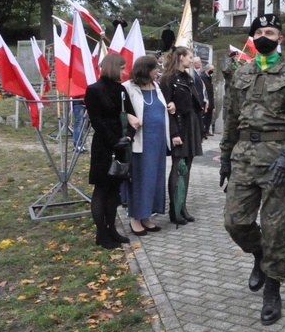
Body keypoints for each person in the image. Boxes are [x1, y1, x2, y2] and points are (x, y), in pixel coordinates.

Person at [219, 13, 285, 326]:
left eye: (270, 31)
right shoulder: (241, 73)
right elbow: (230, 118)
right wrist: (224, 156)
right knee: (235, 222)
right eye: (259, 31)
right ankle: (260, 256)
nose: (264, 36)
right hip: (243, 158)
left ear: (280, 38)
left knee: (276, 229)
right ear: (252, 37)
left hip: (278, 160)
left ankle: (273, 288)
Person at [84, 53, 134, 249]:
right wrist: (115, 141)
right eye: (122, 68)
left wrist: (129, 137)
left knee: (115, 189)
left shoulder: (121, 89)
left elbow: (131, 114)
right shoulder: (94, 90)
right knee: (102, 188)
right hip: (104, 146)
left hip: (121, 143)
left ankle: (111, 228)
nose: (124, 72)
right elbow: (97, 121)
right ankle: (102, 233)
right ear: (113, 68)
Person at [123, 56, 170, 235]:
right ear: (145, 69)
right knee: (140, 179)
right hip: (141, 142)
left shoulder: (156, 86)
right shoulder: (129, 87)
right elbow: (123, 110)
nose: (157, 71)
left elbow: (160, 108)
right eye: (154, 68)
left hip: (158, 142)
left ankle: (146, 215)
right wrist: (129, 117)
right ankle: (135, 217)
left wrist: (170, 107)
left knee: (155, 179)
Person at [160, 46, 204, 226]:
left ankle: (182, 206)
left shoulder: (188, 77)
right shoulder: (168, 79)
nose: (192, 60)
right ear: (181, 57)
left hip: (191, 124)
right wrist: (174, 133)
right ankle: (175, 209)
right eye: (190, 57)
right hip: (179, 126)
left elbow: (196, 104)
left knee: (188, 166)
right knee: (178, 166)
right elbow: (167, 109)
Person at [191, 56, 210, 138]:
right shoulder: (192, 74)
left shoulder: (196, 73)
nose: (201, 64)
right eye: (199, 62)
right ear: (195, 64)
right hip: (197, 102)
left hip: (200, 101)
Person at [202, 64, 215, 135]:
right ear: (207, 69)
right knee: (205, 115)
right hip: (206, 99)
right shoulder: (203, 77)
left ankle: (207, 130)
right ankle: (203, 130)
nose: (212, 71)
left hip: (210, 98)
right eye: (211, 70)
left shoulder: (209, 77)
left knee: (209, 116)